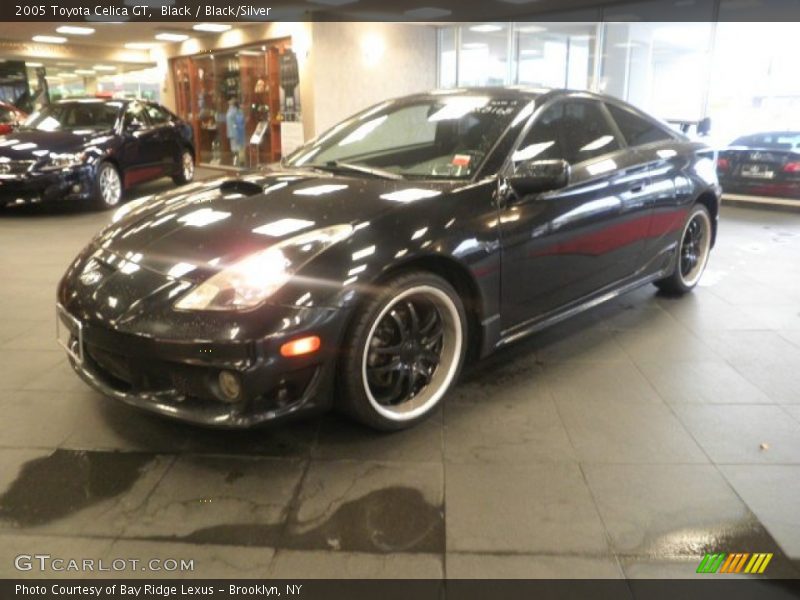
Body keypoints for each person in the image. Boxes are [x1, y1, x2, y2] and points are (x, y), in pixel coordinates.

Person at [226, 98, 246, 166]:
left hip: (236, 132)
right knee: (236, 148)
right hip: (234, 132)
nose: (229, 105)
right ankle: (237, 161)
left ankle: (240, 162)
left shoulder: (235, 111)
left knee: (238, 148)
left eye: (230, 104)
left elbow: (240, 121)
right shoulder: (233, 111)